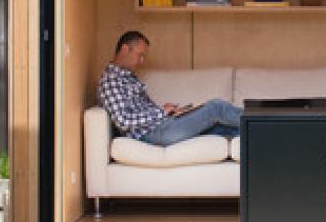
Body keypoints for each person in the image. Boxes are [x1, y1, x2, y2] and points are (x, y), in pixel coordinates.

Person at [96, 30, 241, 146]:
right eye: (140, 55)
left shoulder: (127, 76)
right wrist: (161, 113)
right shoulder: (111, 81)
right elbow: (123, 121)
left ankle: (261, 133)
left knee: (219, 128)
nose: (142, 61)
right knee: (216, 107)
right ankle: (260, 118)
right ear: (125, 49)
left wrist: (166, 111)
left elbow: (139, 111)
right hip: (154, 133)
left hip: (161, 125)